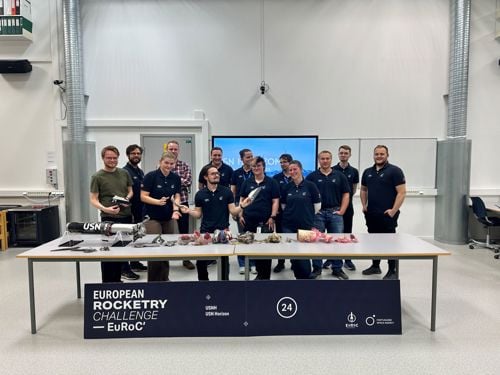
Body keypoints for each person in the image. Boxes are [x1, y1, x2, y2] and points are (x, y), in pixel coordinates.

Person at [180, 165, 252, 281]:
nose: (216, 175)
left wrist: (242, 206)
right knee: (201, 263)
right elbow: (198, 214)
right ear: (205, 177)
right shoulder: (200, 194)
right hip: (206, 232)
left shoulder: (226, 192)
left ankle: (224, 286)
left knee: (224, 263)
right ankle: (204, 286)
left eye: (217, 173)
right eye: (213, 173)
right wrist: (188, 211)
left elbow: (233, 211)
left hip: (224, 232)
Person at [90, 145, 138, 282]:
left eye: (114, 158)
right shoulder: (97, 176)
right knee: (108, 253)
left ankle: (118, 281)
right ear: (103, 158)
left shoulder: (124, 173)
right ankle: (108, 284)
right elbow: (93, 199)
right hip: (108, 219)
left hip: (126, 217)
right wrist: (105, 209)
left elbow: (130, 191)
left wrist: (127, 198)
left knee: (122, 251)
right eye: (109, 158)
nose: (112, 160)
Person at [360, 145, 406, 280]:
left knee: (390, 242)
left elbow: (402, 192)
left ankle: (392, 270)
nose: (379, 156)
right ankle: (375, 266)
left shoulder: (395, 171)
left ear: (387, 155)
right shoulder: (367, 172)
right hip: (372, 214)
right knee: (373, 241)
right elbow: (363, 189)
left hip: (388, 214)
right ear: (373, 155)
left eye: (382, 154)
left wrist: (393, 210)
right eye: (376, 154)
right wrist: (364, 205)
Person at [306, 150, 350, 280]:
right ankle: (317, 269)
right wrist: (313, 210)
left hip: (335, 213)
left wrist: (342, 211)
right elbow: (307, 195)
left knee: (336, 242)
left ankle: (337, 268)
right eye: (322, 159)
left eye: (327, 158)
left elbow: (346, 194)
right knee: (316, 242)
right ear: (319, 160)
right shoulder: (312, 176)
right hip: (318, 214)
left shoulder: (340, 176)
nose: (325, 161)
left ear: (331, 159)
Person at [141, 151, 182, 281]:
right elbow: (143, 196)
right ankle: (153, 282)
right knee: (154, 249)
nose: (168, 166)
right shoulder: (151, 176)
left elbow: (177, 196)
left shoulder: (175, 178)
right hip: (152, 218)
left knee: (166, 248)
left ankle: (164, 279)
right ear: (160, 162)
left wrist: (176, 210)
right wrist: (157, 202)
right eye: (166, 163)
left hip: (168, 218)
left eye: (171, 164)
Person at [239, 156, 280, 279]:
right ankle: (258, 274)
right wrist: (240, 214)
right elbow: (241, 199)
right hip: (248, 220)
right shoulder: (247, 182)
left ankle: (265, 277)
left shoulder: (272, 182)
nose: (256, 168)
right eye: (254, 166)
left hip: (266, 222)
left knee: (266, 250)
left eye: (258, 165)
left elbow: (275, 201)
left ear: (263, 167)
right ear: (251, 168)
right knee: (252, 248)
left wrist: (272, 217)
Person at [281, 160, 321, 279]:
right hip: (289, 226)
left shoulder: (310, 186)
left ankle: (305, 278)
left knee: (303, 253)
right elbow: (283, 206)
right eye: (290, 170)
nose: (293, 172)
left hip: (306, 225)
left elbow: (317, 206)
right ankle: (298, 279)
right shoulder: (287, 187)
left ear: (301, 169)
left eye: (295, 169)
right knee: (294, 253)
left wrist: (305, 214)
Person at [166, 140, 195, 271]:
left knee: (184, 232)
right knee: (166, 231)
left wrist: (171, 179)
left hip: (182, 202)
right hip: (165, 203)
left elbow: (188, 181)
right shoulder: (162, 164)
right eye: (170, 149)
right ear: (167, 149)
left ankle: (186, 258)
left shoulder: (184, 165)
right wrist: (176, 180)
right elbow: (160, 181)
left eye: (175, 149)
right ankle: (163, 259)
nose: (173, 151)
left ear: (179, 150)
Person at [332, 144, 359, 271]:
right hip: (334, 207)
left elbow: (353, 190)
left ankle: (347, 259)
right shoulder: (332, 169)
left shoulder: (354, 171)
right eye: (341, 153)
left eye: (346, 153)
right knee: (333, 234)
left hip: (348, 207)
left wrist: (345, 202)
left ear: (350, 155)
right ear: (338, 154)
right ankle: (331, 258)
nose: (343, 155)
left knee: (347, 233)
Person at [122, 144, 147, 273]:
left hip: (139, 211)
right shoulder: (124, 172)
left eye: (138, 153)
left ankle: (135, 262)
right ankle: (124, 269)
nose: (136, 156)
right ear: (128, 155)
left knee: (136, 237)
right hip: (128, 211)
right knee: (126, 239)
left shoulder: (140, 171)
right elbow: (124, 192)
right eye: (133, 153)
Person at [230, 148, 255, 273]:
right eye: (248, 157)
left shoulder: (256, 171)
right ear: (242, 159)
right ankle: (242, 263)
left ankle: (253, 263)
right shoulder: (236, 173)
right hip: (240, 207)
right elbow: (233, 192)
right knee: (241, 235)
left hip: (253, 208)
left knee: (252, 235)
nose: (250, 159)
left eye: (251, 156)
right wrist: (235, 209)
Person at [272, 153, 293, 273]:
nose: (282, 164)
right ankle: (281, 262)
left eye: (284, 162)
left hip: (294, 213)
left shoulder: (295, 176)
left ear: (290, 162)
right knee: (280, 238)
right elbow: (274, 197)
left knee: (294, 238)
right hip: (280, 213)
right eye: (280, 162)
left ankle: (295, 262)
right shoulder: (276, 178)